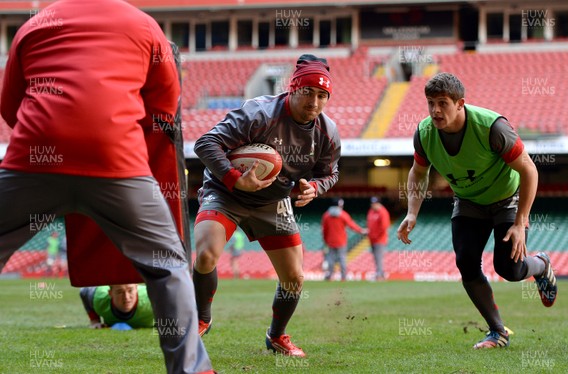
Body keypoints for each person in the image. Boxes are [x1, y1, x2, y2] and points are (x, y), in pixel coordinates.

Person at [0, 1, 213, 372]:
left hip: (35, 155)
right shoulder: (145, 25)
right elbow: (165, 108)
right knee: (168, 267)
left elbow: (9, 106)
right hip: (116, 161)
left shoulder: (34, 24)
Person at [193, 54, 341, 358]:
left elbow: (330, 173)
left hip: (273, 201)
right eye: (308, 91)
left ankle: (276, 336)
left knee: (294, 278)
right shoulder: (258, 113)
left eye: (322, 95)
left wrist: (314, 187)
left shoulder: (327, 133)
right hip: (225, 192)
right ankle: (201, 318)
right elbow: (205, 144)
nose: (314, 101)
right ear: (293, 88)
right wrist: (235, 178)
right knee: (206, 254)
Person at [397, 72, 557, 349]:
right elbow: (418, 172)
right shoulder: (424, 133)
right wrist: (412, 212)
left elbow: (529, 169)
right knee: (466, 263)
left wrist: (520, 223)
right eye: (431, 102)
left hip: (506, 200)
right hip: (468, 202)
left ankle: (541, 264)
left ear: (460, 104)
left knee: (509, 268)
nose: (435, 110)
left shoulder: (493, 127)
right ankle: (498, 332)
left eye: (443, 103)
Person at [321, 198, 367, 281]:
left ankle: (330, 276)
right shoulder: (343, 215)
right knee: (342, 259)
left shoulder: (326, 215)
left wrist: (325, 240)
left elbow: (324, 230)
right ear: (339, 205)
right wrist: (361, 230)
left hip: (330, 241)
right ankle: (343, 277)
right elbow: (351, 225)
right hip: (341, 241)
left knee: (330, 259)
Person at [80, 284, 154, 329]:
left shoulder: (152, 298)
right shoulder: (100, 299)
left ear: (136, 289)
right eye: (119, 292)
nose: (126, 297)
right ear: (110, 293)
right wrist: (95, 321)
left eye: (130, 290)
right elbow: (84, 291)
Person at [366, 197, 391, 281]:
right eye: (372, 204)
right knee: (376, 258)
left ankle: (379, 275)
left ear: (379, 203)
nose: (373, 205)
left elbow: (384, 227)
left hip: (380, 239)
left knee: (379, 258)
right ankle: (381, 274)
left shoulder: (383, 212)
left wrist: (375, 236)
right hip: (372, 239)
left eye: (375, 204)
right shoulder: (371, 211)